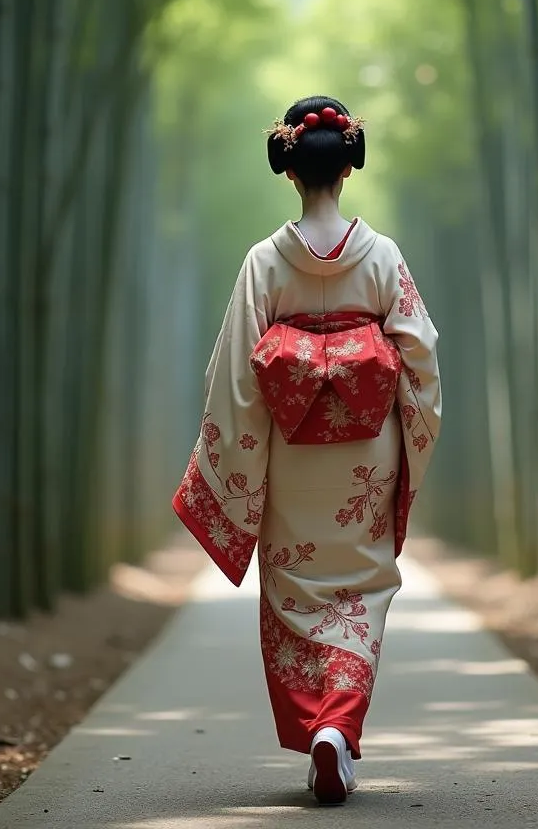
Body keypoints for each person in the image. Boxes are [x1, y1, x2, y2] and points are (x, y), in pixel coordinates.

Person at [171, 95, 442, 805]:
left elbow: (234, 374)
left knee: (295, 593)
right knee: (364, 589)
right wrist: (405, 424)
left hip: (291, 456)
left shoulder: (265, 261)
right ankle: (337, 728)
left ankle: (317, 726)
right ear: (347, 169)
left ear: (289, 172)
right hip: (366, 456)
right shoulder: (381, 255)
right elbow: (423, 357)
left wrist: (244, 465)